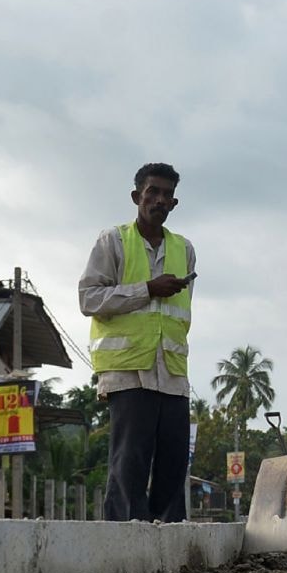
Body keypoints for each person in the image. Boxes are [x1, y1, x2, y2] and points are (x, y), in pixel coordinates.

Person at [78, 162, 196, 522]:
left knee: (174, 462)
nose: (159, 200)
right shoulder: (112, 241)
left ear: (174, 203)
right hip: (128, 370)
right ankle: (122, 542)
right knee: (130, 462)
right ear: (137, 197)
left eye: (167, 195)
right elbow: (89, 299)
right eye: (152, 192)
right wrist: (147, 290)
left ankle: (169, 544)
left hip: (171, 371)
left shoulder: (185, 249)